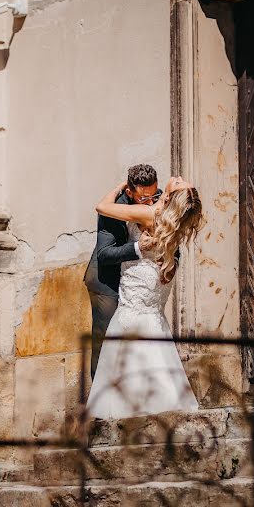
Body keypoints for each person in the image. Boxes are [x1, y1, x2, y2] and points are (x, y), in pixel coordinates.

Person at [86, 175, 203, 419]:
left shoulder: (150, 214)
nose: (179, 177)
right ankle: (162, 396)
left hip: (142, 274)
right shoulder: (175, 217)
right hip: (156, 279)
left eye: (180, 183)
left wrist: (119, 187)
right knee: (151, 324)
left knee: (132, 323)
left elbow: (102, 207)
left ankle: (132, 403)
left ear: (170, 197)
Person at [83, 164, 161, 379]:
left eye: (154, 194)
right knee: (106, 341)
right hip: (107, 282)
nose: (150, 202)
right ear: (129, 192)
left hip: (138, 282)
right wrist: (138, 248)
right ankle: (100, 403)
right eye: (143, 198)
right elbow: (104, 254)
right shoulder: (114, 208)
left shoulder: (158, 200)